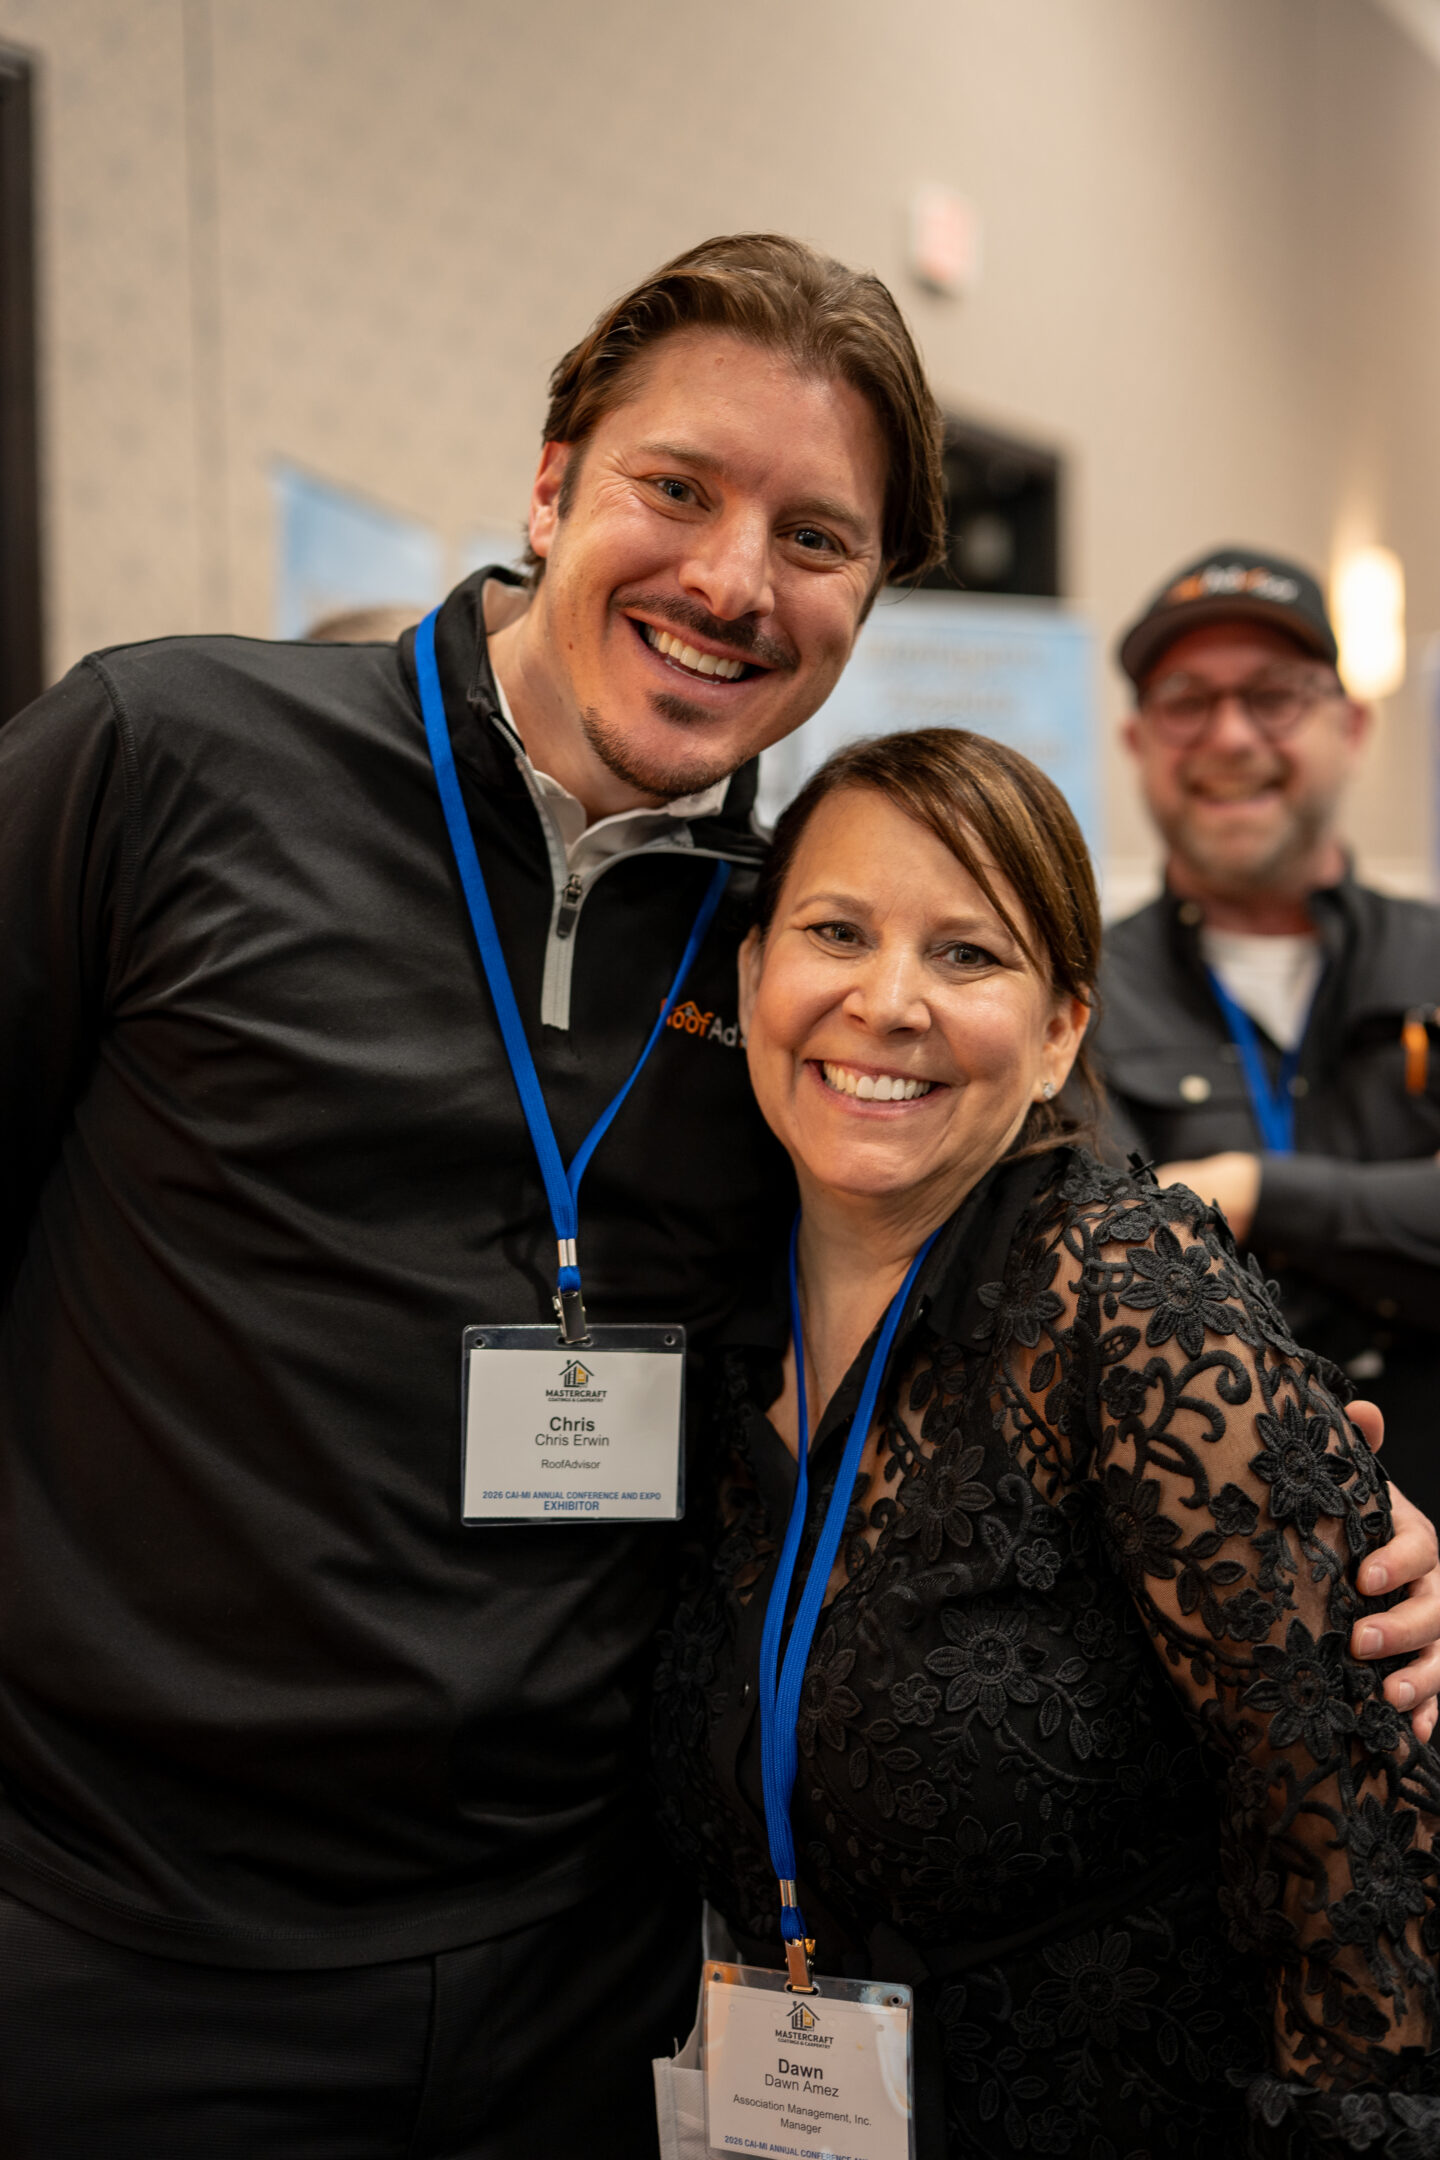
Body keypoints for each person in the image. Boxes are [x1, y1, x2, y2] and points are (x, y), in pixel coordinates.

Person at [0, 239, 1432, 2157]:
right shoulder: (162, 762)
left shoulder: (796, 948)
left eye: (817, 536)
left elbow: (1027, 1317)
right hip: (128, 1948)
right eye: (679, 489)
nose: (732, 580)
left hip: (588, 1976)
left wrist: (1330, 1548)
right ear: (552, 480)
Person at [651, 726, 1440, 2158]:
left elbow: (1363, 1873)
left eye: (970, 955)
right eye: (837, 931)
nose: (888, 1003)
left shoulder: (1132, 1300)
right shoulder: (712, 1321)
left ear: (1064, 1026)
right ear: (755, 973)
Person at [1096, 546, 1440, 1524]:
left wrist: (1253, 1192)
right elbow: (1115, 1276)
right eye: (1186, 700)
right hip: (1205, 1576)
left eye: (1275, 696)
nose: (1230, 735)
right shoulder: (1073, 999)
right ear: (1136, 740)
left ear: (1353, 724)